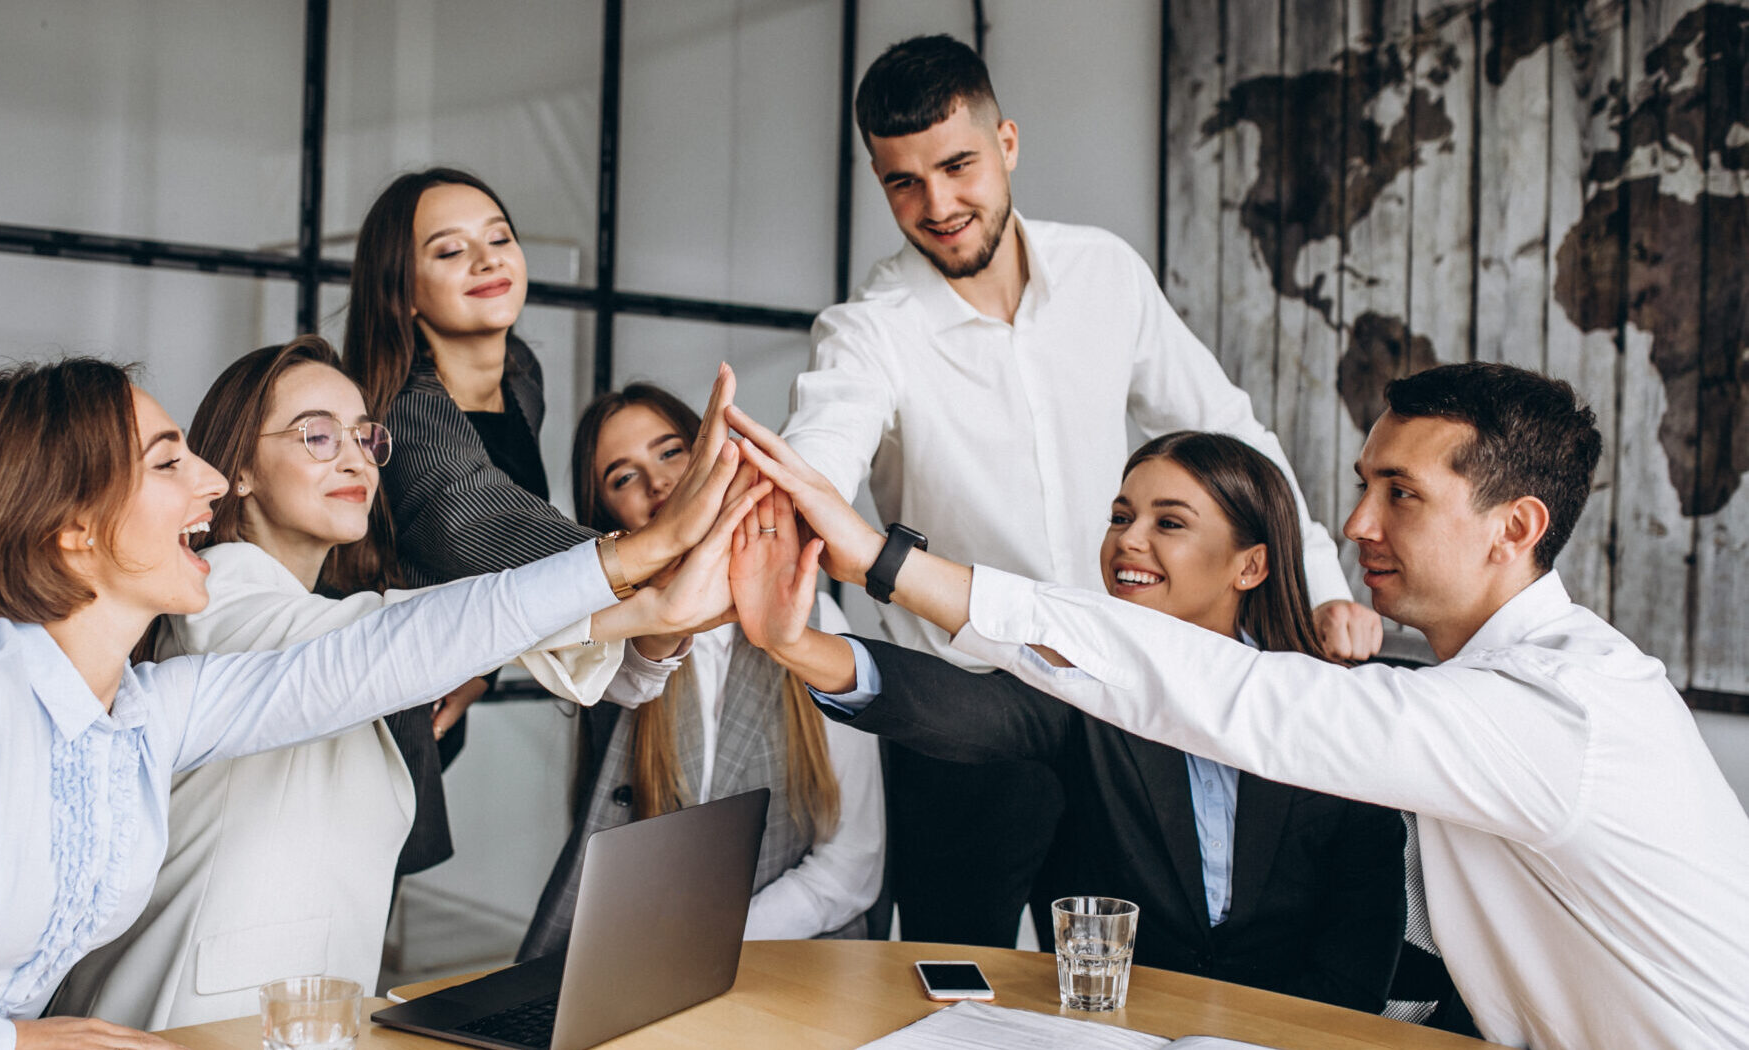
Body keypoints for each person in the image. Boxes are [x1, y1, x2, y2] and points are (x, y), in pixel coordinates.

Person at [0, 356, 759, 1050]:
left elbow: (382, 653)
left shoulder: (143, 710)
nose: (216, 486)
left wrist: (629, 568)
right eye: (170, 461)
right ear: (72, 527)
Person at [727, 362, 1749, 1049]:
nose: (1353, 525)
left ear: (1514, 527)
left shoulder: (1552, 708)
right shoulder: (1494, 689)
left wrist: (881, 559)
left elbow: (1232, 694)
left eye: (1401, 494)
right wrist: (802, 641)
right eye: (1363, 486)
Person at [777, 33, 1381, 947]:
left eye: (958, 165)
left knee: (1125, 984)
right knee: (954, 980)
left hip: (1115, 709)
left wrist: (1324, 587)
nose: (938, 205)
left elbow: (1232, 431)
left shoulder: (1107, 272)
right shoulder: (869, 332)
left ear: (1007, 143)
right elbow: (818, 456)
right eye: (903, 181)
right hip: (962, 721)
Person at [49, 339, 725, 1029]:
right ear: (239, 470)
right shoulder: (220, 599)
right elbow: (391, 641)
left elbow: (436, 642)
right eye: (316, 435)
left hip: (303, 1021)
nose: (352, 457)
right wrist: (641, 570)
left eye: (364, 436)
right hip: (183, 1023)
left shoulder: (336, 610)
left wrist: (662, 617)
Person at [738, 430, 1405, 1012]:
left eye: (1168, 523)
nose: (1128, 541)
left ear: (1250, 564)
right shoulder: (1088, 686)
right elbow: (966, 710)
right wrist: (795, 644)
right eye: (1120, 517)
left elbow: (1359, 947)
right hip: (1119, 1032)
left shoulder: (1327, 710)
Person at [516, 384, 884, 960]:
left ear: (715, 455)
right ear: (605, 517)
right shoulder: (612, 642)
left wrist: (707, 941)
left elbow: (853, 864)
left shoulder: (814, 619)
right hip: (640, 953)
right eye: (623, 477)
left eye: (670, 452)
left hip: (792, 957)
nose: (657, 484)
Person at [342, 167, 602, 875]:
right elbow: (478, 523)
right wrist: (648, 555)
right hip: (360, 706)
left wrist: (481, 665)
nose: (488, 260)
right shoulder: (398, 410)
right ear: (403, 290)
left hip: (437, 688)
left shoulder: (519, 376)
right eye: (450, 250)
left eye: (500, 238)